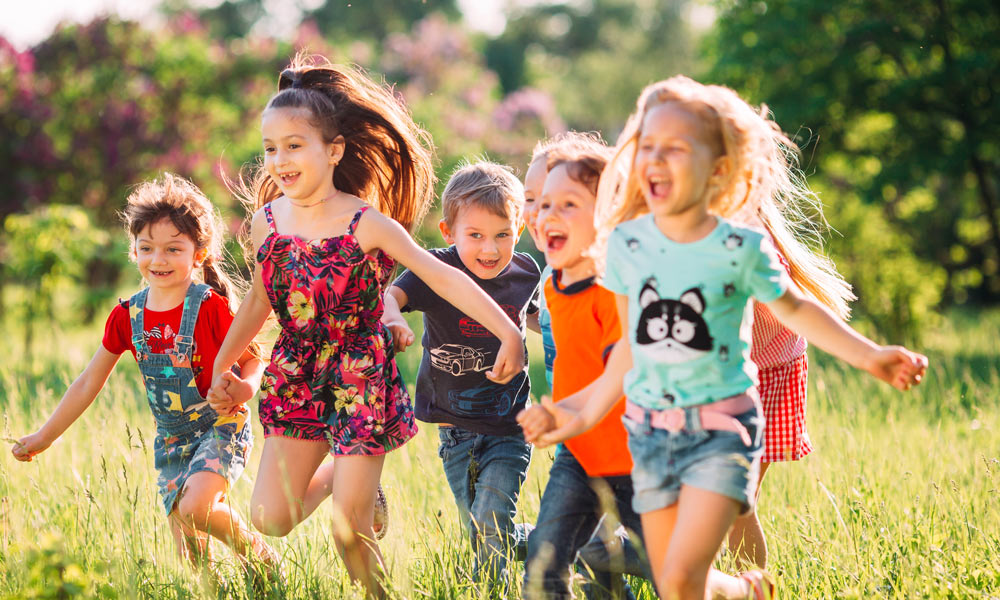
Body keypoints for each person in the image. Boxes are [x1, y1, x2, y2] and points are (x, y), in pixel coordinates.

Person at [529, 76, 928, 600]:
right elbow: (630, 351)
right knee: (675, 581)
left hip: (721, 433)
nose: (655, 159)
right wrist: (578, 414)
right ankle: (743, 592)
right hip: (651, 438)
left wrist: (870, 355)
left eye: (674, 148)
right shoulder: (627, 245)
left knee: (679, 579)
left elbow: (796, 309)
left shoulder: (739, 247)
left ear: (718, 168)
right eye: (647, 145)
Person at [207, 57, 525, 597]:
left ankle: (365, 524)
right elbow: (261, 297)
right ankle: (343, 477)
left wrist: (509, 333)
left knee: (348, 533)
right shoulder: (266, 223)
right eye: (269, 148)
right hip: (295, 374)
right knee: (270, 518)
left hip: (359, 376)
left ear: (333, 151)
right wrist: (222, 365)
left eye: (293, 145)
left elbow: (444, 278)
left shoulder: (368, 224)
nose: (278, 160)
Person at [10, 173, 278, 579]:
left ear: (199, 254)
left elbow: (255, 358)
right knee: (191, 553)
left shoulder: (209, 307)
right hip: (171, 437)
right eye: (147, 248)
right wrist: (45, 436)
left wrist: (246, 386)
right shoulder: (127, 316)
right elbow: (88, 381)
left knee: (196, 507)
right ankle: (226, 590)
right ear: (133, 251)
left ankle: (259, 556)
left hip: (221, 424)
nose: (159, 259)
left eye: (174, 249)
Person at [381, 161, 540, 591]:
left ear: (519, 229)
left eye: (503, 235)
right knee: (482, 529)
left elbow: (546, 323)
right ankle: (554, 542)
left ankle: (492, 591)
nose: (490, 249)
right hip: (456, 432)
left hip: (510, 425)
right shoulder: (436, 270)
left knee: (490, 520)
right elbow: (390, 296)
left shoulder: (527, 273)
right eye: (476, 236)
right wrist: (393, 317)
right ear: (449, 230)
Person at [517, 140, 652, 600]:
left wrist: (561, 411)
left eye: (566, 205)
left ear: (608, 214)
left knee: (676, 575)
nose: (545, 214)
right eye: (539, 203)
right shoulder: (554, 283)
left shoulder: (613, 289)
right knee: (543, 566)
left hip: (639, 459)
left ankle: (736, 591)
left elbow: (621, 372)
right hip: (580, 454)